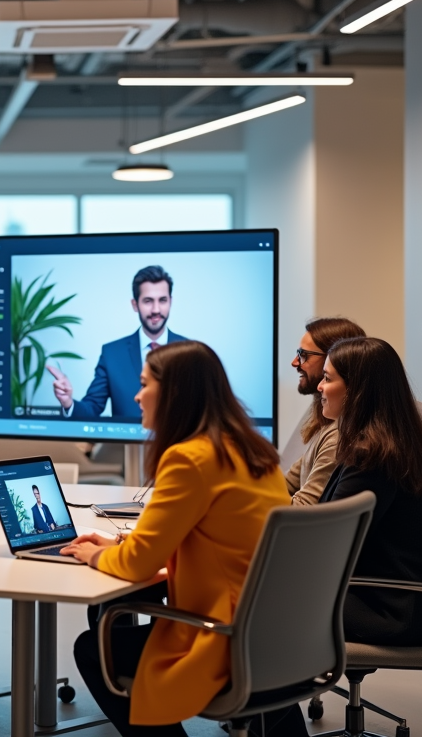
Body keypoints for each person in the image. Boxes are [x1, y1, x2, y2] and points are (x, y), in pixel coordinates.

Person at [64, 341, 307, 737]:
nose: (136, 396)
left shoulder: (189, 458)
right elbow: (209, 535)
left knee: (94, 649)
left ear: (173, 393)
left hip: (225, 638)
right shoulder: (250, 450)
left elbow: (139, 565)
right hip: (277, 634)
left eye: (145, 385)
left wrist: (93, 555)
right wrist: (120, 546)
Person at [317, 337, 422, 645]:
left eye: (327, 378)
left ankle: (268, 691)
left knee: (255, 604)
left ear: (357, 390)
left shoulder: (371, 457)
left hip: (391, 610)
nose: (319, 388)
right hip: (396, 600)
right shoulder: (382, 446)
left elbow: (327, 543)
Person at [46, 265, 187, 421]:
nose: (155, 309)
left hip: (181, 445)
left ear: (171, 302)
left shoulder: (190, 352)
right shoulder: (112, 354)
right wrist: (68, 403)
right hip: (127, 444)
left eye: (162, 300)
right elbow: (92, 407)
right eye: (148, 301)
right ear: (135, 305)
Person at [286, 317, 366, 505]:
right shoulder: (325, 422)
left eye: (303, 355)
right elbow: (289, 482)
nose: (294, 363)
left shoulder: (340, 436)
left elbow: (304, 510)